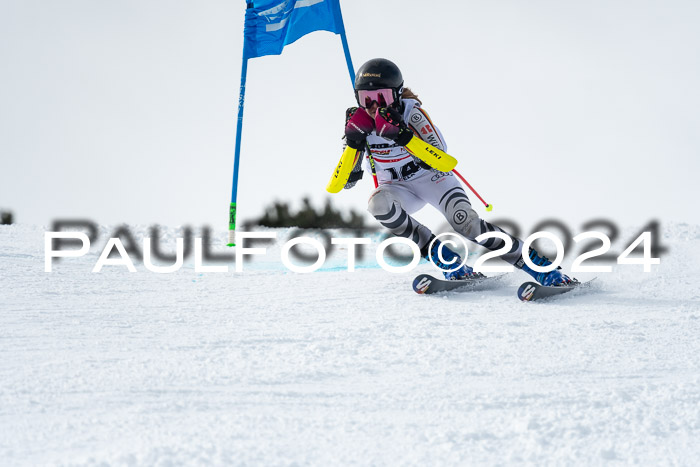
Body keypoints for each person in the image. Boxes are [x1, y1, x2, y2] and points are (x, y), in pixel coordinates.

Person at [341, 58, 576, 286]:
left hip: (431, 178)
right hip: (396, 187)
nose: (373, 105)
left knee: (467, 225)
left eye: (381, 97)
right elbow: (345, 182)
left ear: (397, 94)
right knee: (377, 205)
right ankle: (449, 262)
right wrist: (353, 143)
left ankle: (540, 267)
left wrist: (402, 135)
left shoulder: (411, 114)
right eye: (366, 98)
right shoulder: (358, 123)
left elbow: (441, 159)